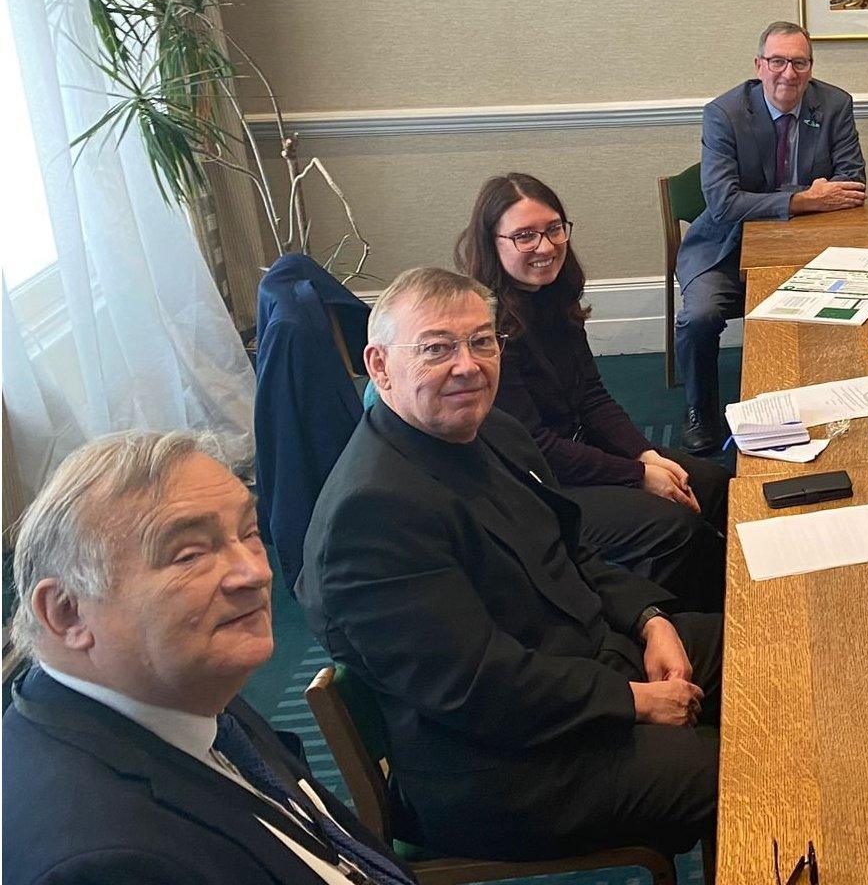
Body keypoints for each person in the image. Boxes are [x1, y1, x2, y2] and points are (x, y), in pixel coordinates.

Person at [299, 267, 720, 863]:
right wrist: (632, 701)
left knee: (764, 648)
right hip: (500, 764)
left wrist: (652, 620)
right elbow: (479, 684)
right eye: (437, 348)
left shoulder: (493, 429)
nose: (468, 365)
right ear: (379, 365)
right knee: (734, 770)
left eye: (482, 341)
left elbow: (572, 552)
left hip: (574, 661)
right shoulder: (371, 516)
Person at [6, 431, 417, 885]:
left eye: (249, 533)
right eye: (190, 555)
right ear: (67, 612)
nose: (256, 573)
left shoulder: (180, 686)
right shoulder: (100, 863)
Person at [459, 172, 729, 612]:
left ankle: (748, 599)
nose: (545, 247)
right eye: (524, 236)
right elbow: (537, 447)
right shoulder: (487, 331)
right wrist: (637, 477)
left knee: (715, 483)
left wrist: (645, 455)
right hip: (536, 485)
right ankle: (685, 625)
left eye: (553, 229)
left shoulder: (551, 296)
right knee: (675, 525)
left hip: (577, 451)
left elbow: (592, 398)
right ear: (493, 243)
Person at [675, 21, 867, 452]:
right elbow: (724, 204)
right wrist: (804, 199)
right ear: (759, 65)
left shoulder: (834, 105)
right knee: (699, 317)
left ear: (810, 67)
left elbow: (852, 186)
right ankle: (699, 410)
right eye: (777, 61)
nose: (788, 73)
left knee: (853, 304)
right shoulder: (723, 113)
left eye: (799, 63)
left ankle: (829, 404)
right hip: (725, 246)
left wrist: (787, 201)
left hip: (810, 248)